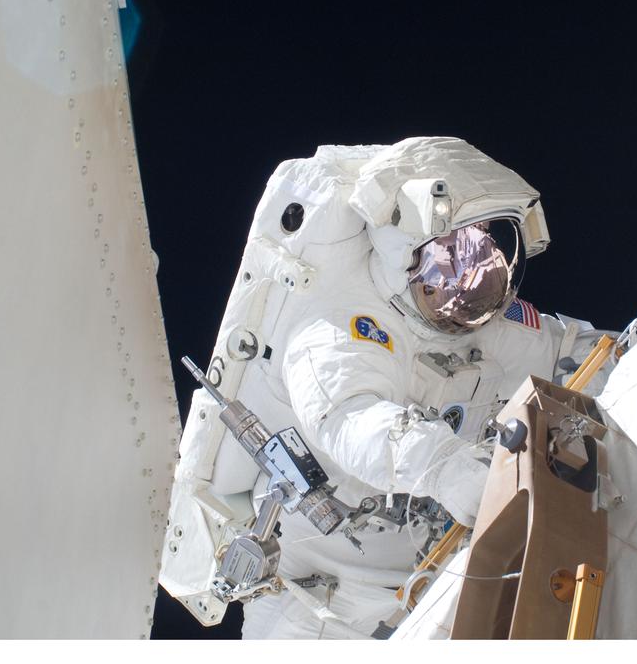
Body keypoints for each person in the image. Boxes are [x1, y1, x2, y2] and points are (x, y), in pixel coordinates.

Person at [161, 137, 608, 639]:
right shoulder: (337, 327)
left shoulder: (481, 321)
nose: (476, 271)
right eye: (455, 250)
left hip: (431, 586)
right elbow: (351, 417)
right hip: (319, 611)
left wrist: (634, 350)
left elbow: (574, 351)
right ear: (407, 251)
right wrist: (443, 466)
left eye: (485, 243)